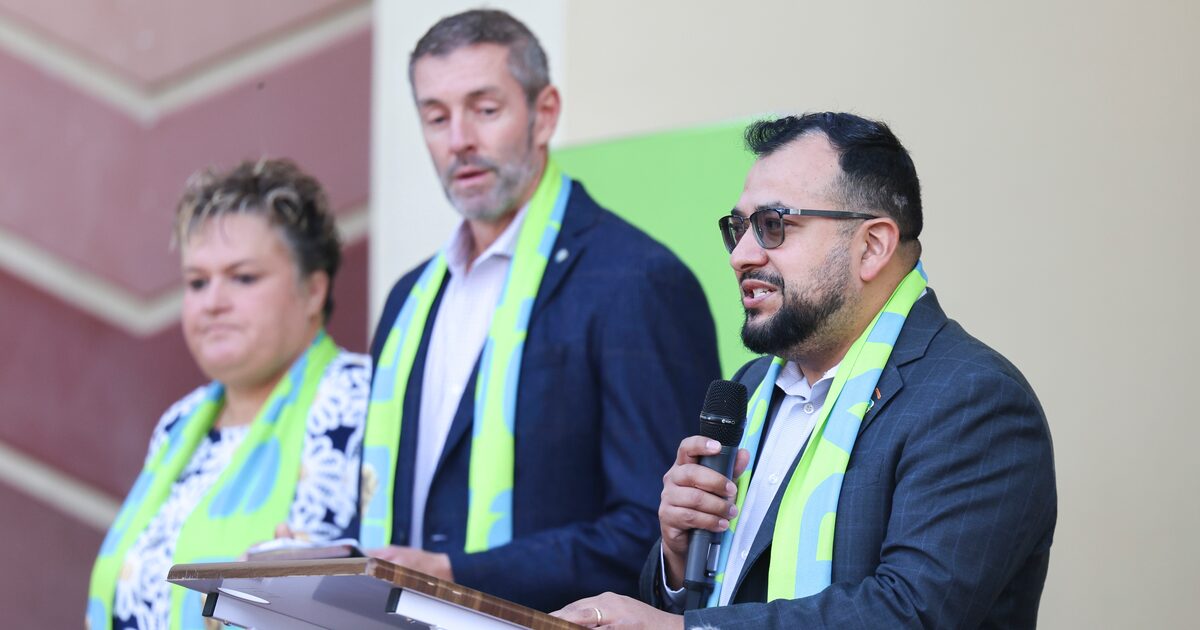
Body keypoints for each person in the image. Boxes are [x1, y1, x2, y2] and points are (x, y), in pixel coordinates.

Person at [552, 112, 1057, 628]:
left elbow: (910, 613)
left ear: (872, 246)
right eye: (738, 229)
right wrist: (680, 560)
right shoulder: (751, 388)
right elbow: (704, 604)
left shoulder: (973, 400)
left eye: (773, 226)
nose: (741, 256)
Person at [358, 9, 721, 612]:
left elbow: (656, 531)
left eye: (486, 109)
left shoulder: (635, 280)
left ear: (544, 112)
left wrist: (456, 573)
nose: (459, 140)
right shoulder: (408, 298)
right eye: (437, 116)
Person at [87, 159, 370, 629]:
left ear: (314, 290)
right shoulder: (180, 425)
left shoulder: (362, 401)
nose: (213, 302)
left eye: (243, 277)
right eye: (197, 282)